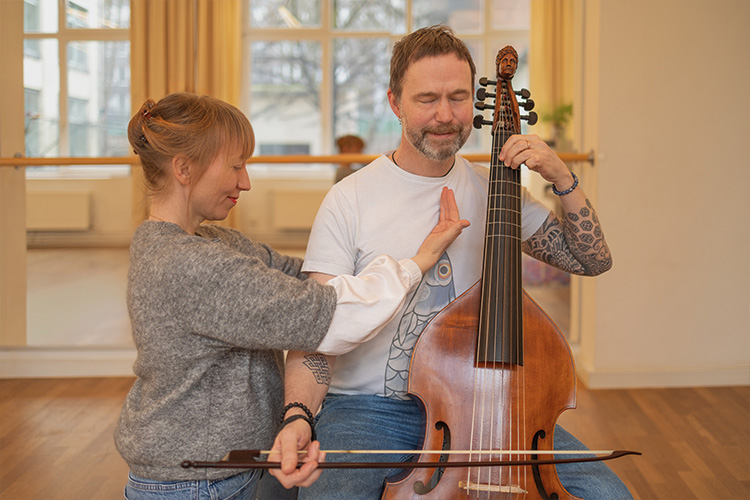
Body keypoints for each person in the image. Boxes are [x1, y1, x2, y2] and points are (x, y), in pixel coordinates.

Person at [269, 26, 632, 500]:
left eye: (458, 98)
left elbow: (592, 259)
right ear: (395, 103)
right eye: (427, 99)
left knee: (610, 495)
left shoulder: (496, 191)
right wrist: (298, 415)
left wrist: (560, 175)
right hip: (370, 411)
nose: (445, 115)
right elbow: (317, 331)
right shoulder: (349, 199)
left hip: (495, 407)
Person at [114, 92, 470, 500]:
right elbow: (323, 313)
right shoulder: (189, 264)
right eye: (235, 166)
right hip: (196, 485)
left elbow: (314, 278)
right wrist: (417, 261)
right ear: (183, 168)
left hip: (226, 472)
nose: (245, 182)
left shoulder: (215, 242)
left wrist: (353, 249)